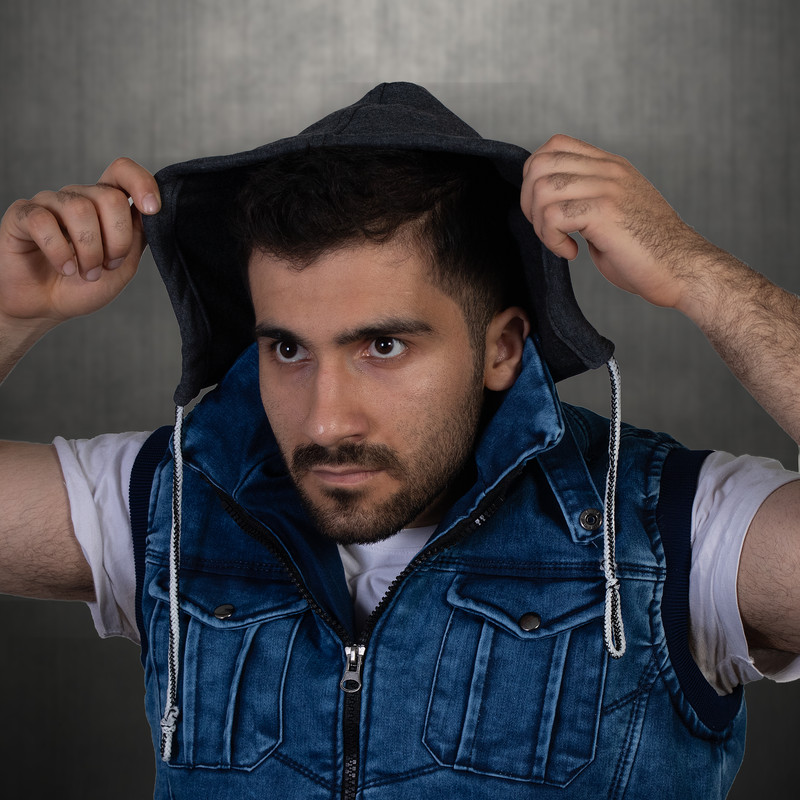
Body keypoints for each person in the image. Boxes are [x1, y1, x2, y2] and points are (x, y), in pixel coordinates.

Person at [1, 82, 799, 798]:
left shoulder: (670, 528)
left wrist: (698, 273)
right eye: (288, 349)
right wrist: (8, 311)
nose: (325, 422)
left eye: (382, 347)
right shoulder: (178, 503)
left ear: (501, 349)